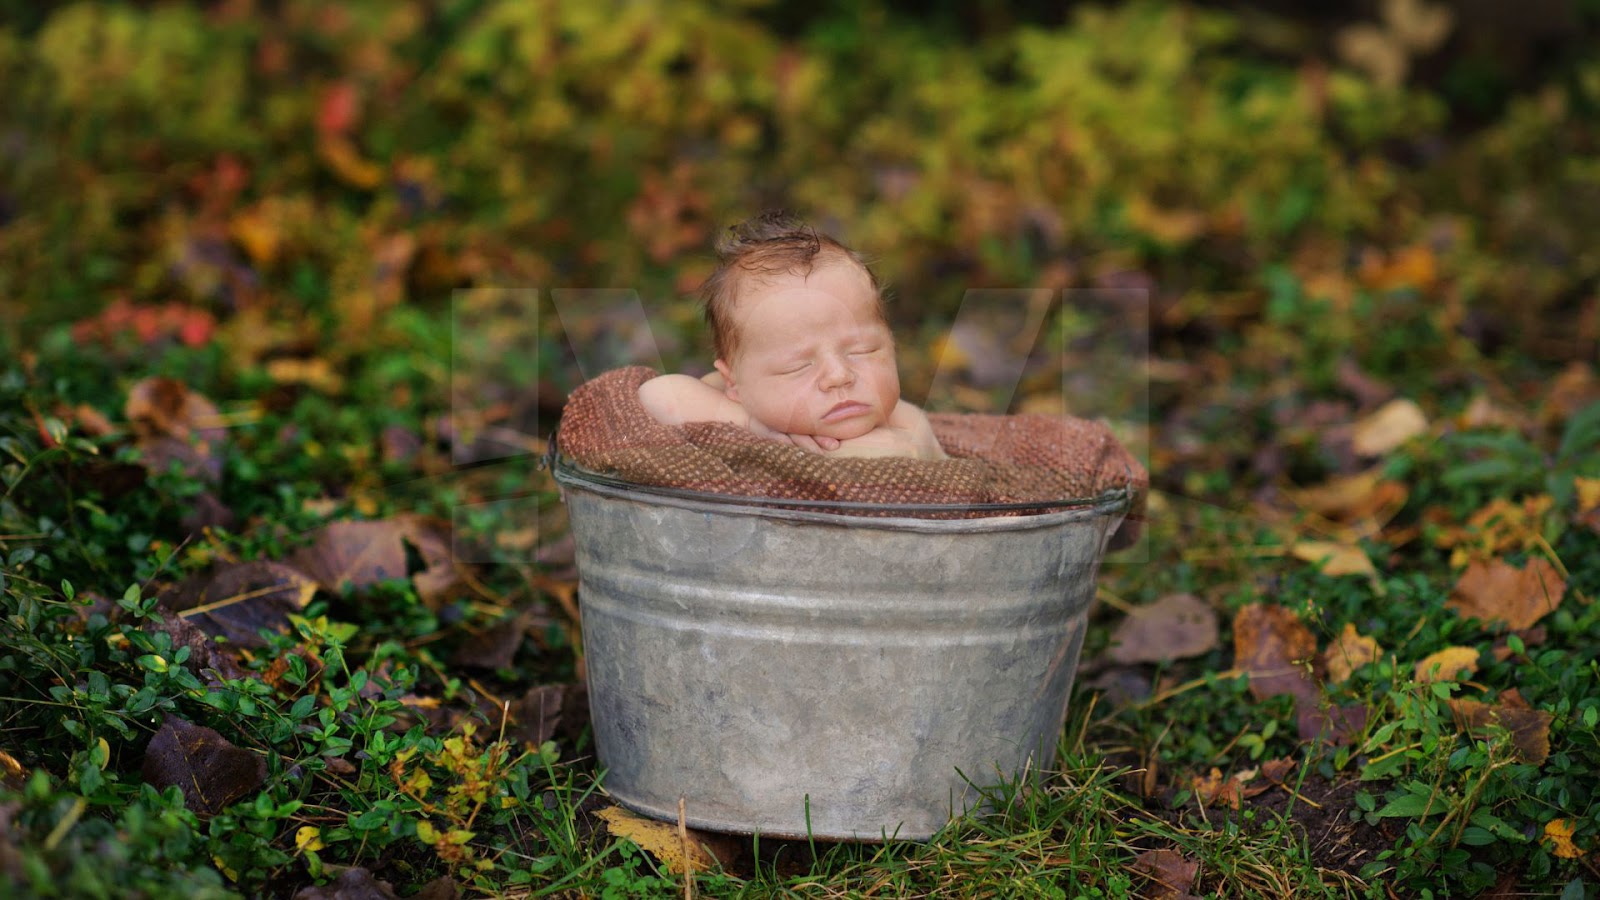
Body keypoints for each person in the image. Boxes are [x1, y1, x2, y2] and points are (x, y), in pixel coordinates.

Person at [638, 212, 947, 461]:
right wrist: (751, 427)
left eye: (863, 350)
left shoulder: (904, 423)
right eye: (796, 366)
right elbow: (655, 394)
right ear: (734, 383)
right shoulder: (738, 410)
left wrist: (916, 449)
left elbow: (954, 484)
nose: (839, 376)